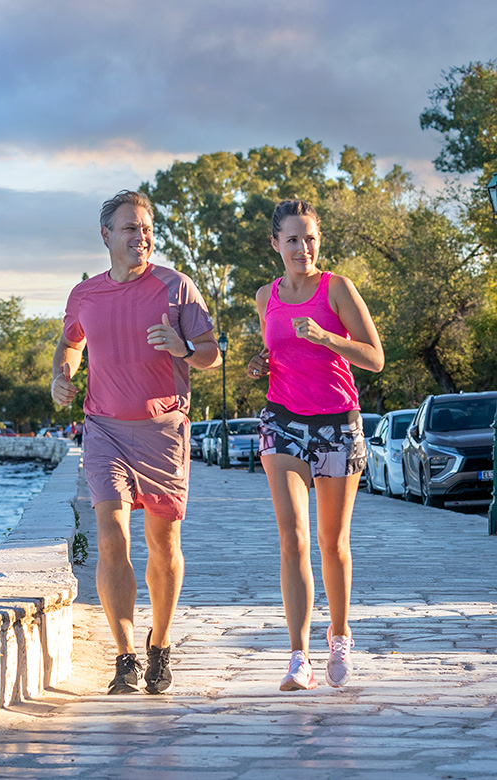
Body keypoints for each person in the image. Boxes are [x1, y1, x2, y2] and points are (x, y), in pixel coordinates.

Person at [51, 190, 220, 695]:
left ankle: (160, 645)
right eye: (130, 228)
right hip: (103, 428)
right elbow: (70, 343)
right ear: (107, 236)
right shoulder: (85, 295)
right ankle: (124, 655)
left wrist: (184, 348)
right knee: (110, 537)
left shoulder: (176, 287)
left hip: (163, 431)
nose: (141, 237)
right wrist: (62, 376)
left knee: (163, 546)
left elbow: (212, 354)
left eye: (146, 228)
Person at [248, 199, 384, 691]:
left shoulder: (338, 288)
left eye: (310, 239)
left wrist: (328, 338)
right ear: (275, 244)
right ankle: (298, 656)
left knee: (332, 543)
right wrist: (259, 366)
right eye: (292, 239)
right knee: (293, 539)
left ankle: (341, 634)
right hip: (282, 421)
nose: (303, 248)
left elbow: (374, 357)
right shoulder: (267, 296)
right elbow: (273, 351)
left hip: (337, 425)